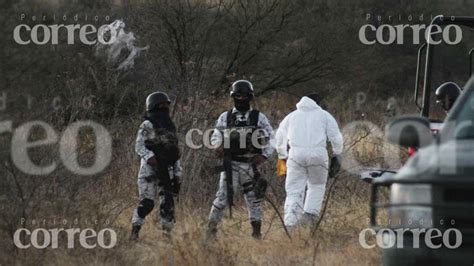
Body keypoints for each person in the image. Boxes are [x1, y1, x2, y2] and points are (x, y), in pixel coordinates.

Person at [207, 80, 274, 239]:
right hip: (231, 164)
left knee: (254, 199)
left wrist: (264, 154)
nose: (241, 99)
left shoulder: (258, 117)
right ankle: (210, 232)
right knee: (222, 197)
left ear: (250, 97)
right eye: (238, 96)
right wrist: (218, 146)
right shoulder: (226, 116)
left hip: (251, 165)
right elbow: (216, 135)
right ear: (233, 96)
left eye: (245, 96)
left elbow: (273, 137)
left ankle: (256, 234)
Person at [275, 94, 343, 228]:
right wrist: (337, 154)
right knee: (317, 186)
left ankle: (290, 224)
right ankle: (308, 218)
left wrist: (282, 156)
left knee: (294, 191)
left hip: (295, 155)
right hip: (318, 155)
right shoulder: (324, 115)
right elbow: (336, 138)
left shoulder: (292, 116)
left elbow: (280, 137)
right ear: (317, 103)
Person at [131, 91, 182, 240]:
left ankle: (166, 236)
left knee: (168, 204)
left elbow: (174, 151)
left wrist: (178, 174)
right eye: (161, 105)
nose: (164, 108)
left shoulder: (170, 125)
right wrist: (150, 157)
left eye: (166, 105)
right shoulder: (147, 124)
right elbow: (139, 146)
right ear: (153, 106)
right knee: (147, 204)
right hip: (149, 171)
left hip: (167, 170)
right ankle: (135, 231)